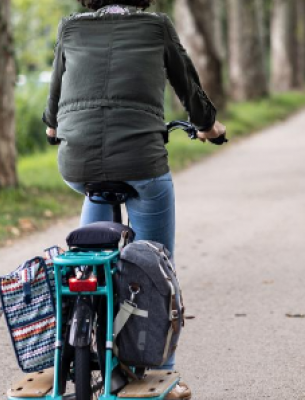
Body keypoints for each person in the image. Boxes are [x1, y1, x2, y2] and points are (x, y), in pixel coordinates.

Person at [43, 1, 226, 398]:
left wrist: (53, 130)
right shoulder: (156, 26)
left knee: (86, 250)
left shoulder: (70, 28)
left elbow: (53, 107)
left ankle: (80, 319)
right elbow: (187, 86)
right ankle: (164, 373)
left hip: (79, 164)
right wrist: (209, 126)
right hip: (141, 161)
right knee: (155, 265)